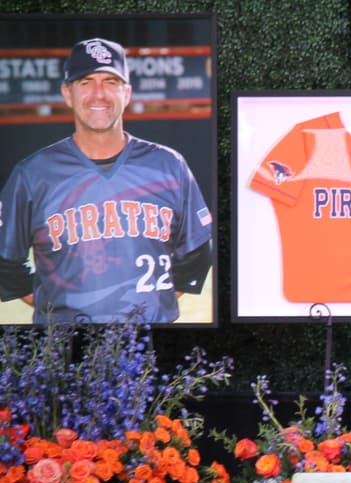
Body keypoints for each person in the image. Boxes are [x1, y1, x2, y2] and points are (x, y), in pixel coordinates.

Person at [0, 38, 213, 324]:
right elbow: (5, 262)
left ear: (127, 93)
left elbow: (197, 253)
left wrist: (154, 303)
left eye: (111, 82)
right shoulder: (33, 173)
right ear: (67, 94)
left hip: (151, 336)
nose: (98, 94)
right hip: (65, 339)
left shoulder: (169, 165)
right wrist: (52, 304)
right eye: (86, 82)